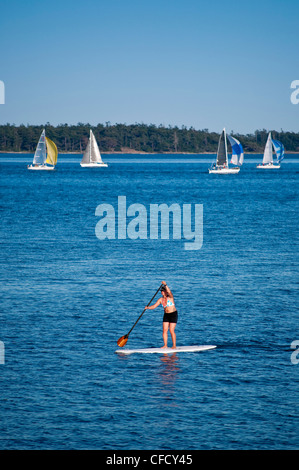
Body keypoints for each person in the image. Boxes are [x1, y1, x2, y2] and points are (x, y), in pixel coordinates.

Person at [145, 281, 178, 349]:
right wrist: (148, 307)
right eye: (161, 291)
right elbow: (154, 306)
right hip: (166, 315)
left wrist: (165, 284)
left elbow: (169, 291)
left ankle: (174, 345)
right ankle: (165, 345)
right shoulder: (161, 299)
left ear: (166, 292)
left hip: (173, 314)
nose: (162, 292)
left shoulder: (170, 297)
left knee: (171, 330)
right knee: (164, 330)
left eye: (163, 291)